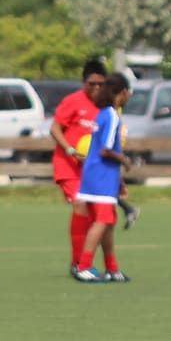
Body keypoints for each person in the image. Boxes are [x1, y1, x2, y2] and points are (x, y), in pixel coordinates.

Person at [50, 59, 113, 272]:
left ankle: (95, 264)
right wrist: (70, 150)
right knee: (80, 204)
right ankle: (77, 263)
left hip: (92, 171)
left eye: (100, 84)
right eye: (91, 84)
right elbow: (55, 129)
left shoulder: (106, 107)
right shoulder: (73, 101)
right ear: (83, 82)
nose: (96, 88)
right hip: (68, 166)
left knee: (97, 216)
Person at [73, 73, 132, 282]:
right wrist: (124, 160)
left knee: (108, 222)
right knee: (103, 221)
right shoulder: (112, 116)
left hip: (94, 175)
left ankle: (111, 268)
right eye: (128, 92)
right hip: (101, 176)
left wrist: (119, 181)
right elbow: (106, 150)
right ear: (123, 92)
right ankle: (83, 266)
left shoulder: (101, 113)